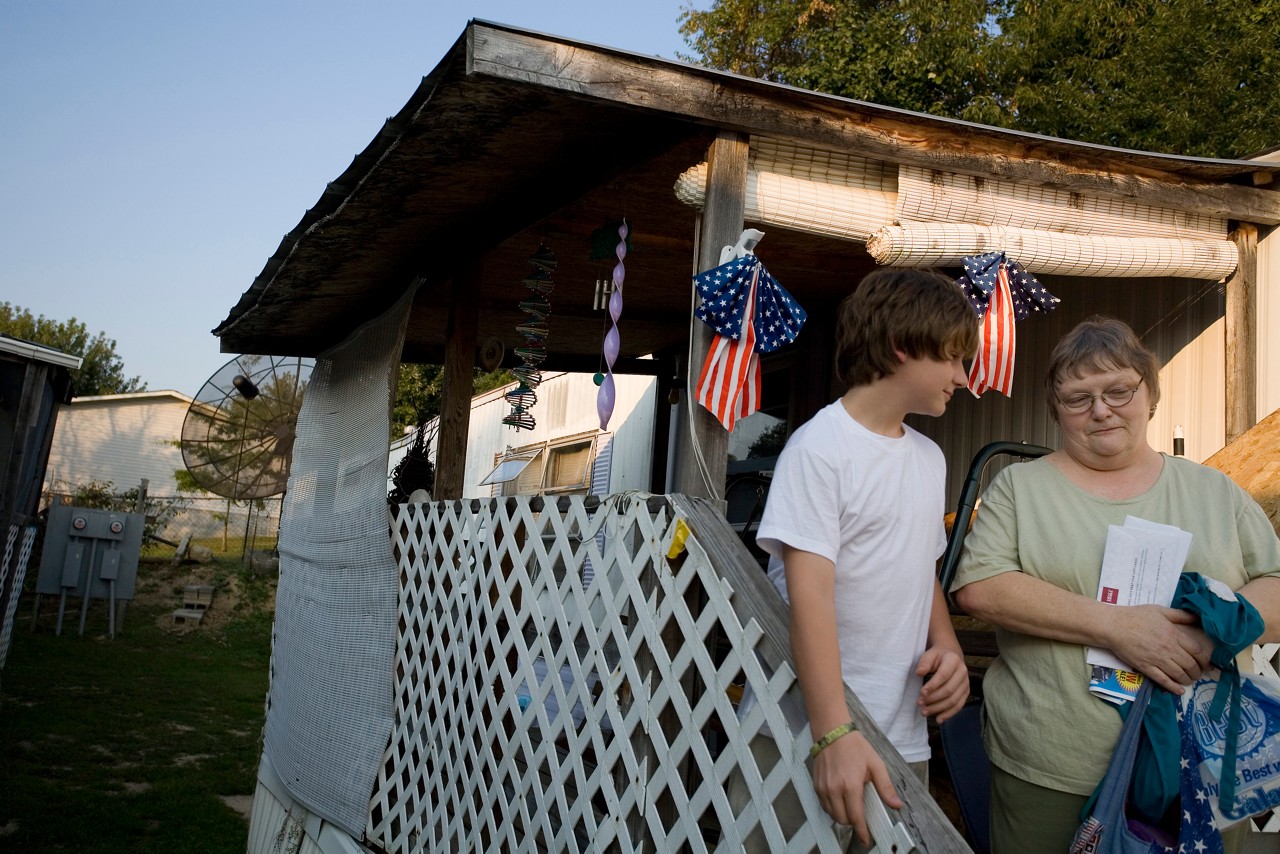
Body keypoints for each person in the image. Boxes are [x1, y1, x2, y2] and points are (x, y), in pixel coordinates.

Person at [951, 316, 1280, 853]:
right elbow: (980, 586)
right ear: (1055, 408)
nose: (1100, 410)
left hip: (1202, 761)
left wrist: (1203, 637)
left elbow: (1276, 583)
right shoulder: (1020, 489)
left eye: (1118, 390)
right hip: (1055, 765)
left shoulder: (1215, 491)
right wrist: (1117, 627)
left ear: (1149, 393)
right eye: (1077, 398)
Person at [742, 267, 975, 850]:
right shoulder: (819, 449)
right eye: (951, 358)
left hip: (902, 735)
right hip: (802, 732)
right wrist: (832, 733)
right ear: (902, 346)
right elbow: (809, 597)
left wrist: (946, 647)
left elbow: (922, 572)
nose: (962, 377)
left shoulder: (929, 458)